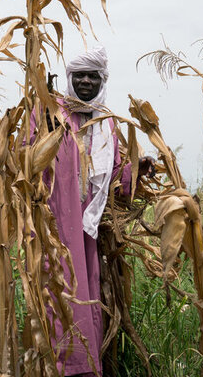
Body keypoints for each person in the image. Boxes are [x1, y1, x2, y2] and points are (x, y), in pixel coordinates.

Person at [41, 46, 154, 376]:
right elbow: (26, 157)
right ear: (70, 78)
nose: (86, 81)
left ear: (101, 80)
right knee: (60, 290)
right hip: (56, 220)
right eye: (80, 76)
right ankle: (59, 366)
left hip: (90, 226)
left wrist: (138, 167)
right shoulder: (51, 112)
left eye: (93, 76)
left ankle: (88, 366)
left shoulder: (105, 122)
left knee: (90, 290)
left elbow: (118, 173)